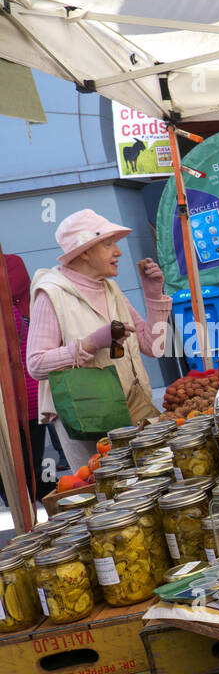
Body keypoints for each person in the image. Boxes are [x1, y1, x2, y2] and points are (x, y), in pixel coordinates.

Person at [26, 210, 171, 471]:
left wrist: (154, 294)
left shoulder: (109, 287)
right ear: (84, 251)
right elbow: (36, 365)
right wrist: (91, 343)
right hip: (89, 422)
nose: (118, 252)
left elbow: (154, 346)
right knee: (113, 499)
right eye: (108, 244)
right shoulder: (51, 293)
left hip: (135, 411)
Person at [3, 254, 56, 501]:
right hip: (18, 398)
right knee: (22, 470)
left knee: (28, 468)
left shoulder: (10, 263)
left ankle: (51, 504)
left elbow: (12, 285)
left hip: (24, 397)